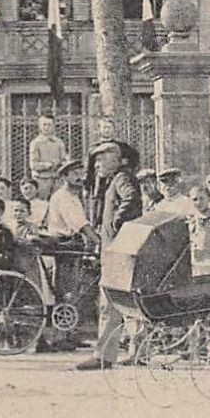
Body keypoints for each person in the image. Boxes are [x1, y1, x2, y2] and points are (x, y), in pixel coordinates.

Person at [76, 140, 143, 370]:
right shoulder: (113, 180)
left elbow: (132, 200)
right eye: (95, 161)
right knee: (121, 301)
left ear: (116, 159)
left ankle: (105, 355)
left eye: (101, 160)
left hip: (118, 250)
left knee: (112, 302)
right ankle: (123, 352)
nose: (97, 166)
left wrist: (115, 224)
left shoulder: (121, 178)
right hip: (115, 249)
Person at [28, 114, 68, 197]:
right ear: (39, 126)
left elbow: (64, 161)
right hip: (41, 180)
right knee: (42, 204)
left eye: (49, 125)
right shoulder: (35, 143)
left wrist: (61, 164)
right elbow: (33, 165)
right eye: (44, 124)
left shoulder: (59, 142)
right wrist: (48, 165)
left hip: (57, 179)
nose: (46, 127)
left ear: (53, 126)